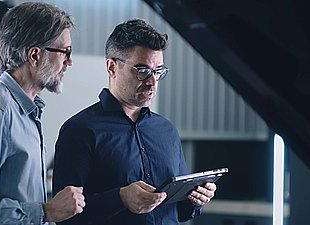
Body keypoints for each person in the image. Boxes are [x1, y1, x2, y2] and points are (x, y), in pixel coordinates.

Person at [52, 19, 217, 225]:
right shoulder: (79, 130)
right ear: (112, 67)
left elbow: (179, 212)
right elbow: (63, 217)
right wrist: (119, 199)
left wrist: (196, 200)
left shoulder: (166, 131)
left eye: (157, 71)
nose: (152, 81)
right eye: (142, 70)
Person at [0, 2, 85, 224]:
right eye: (65, 52)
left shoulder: (26, 111)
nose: (69, 62)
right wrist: (45, 212)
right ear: (34, 56)